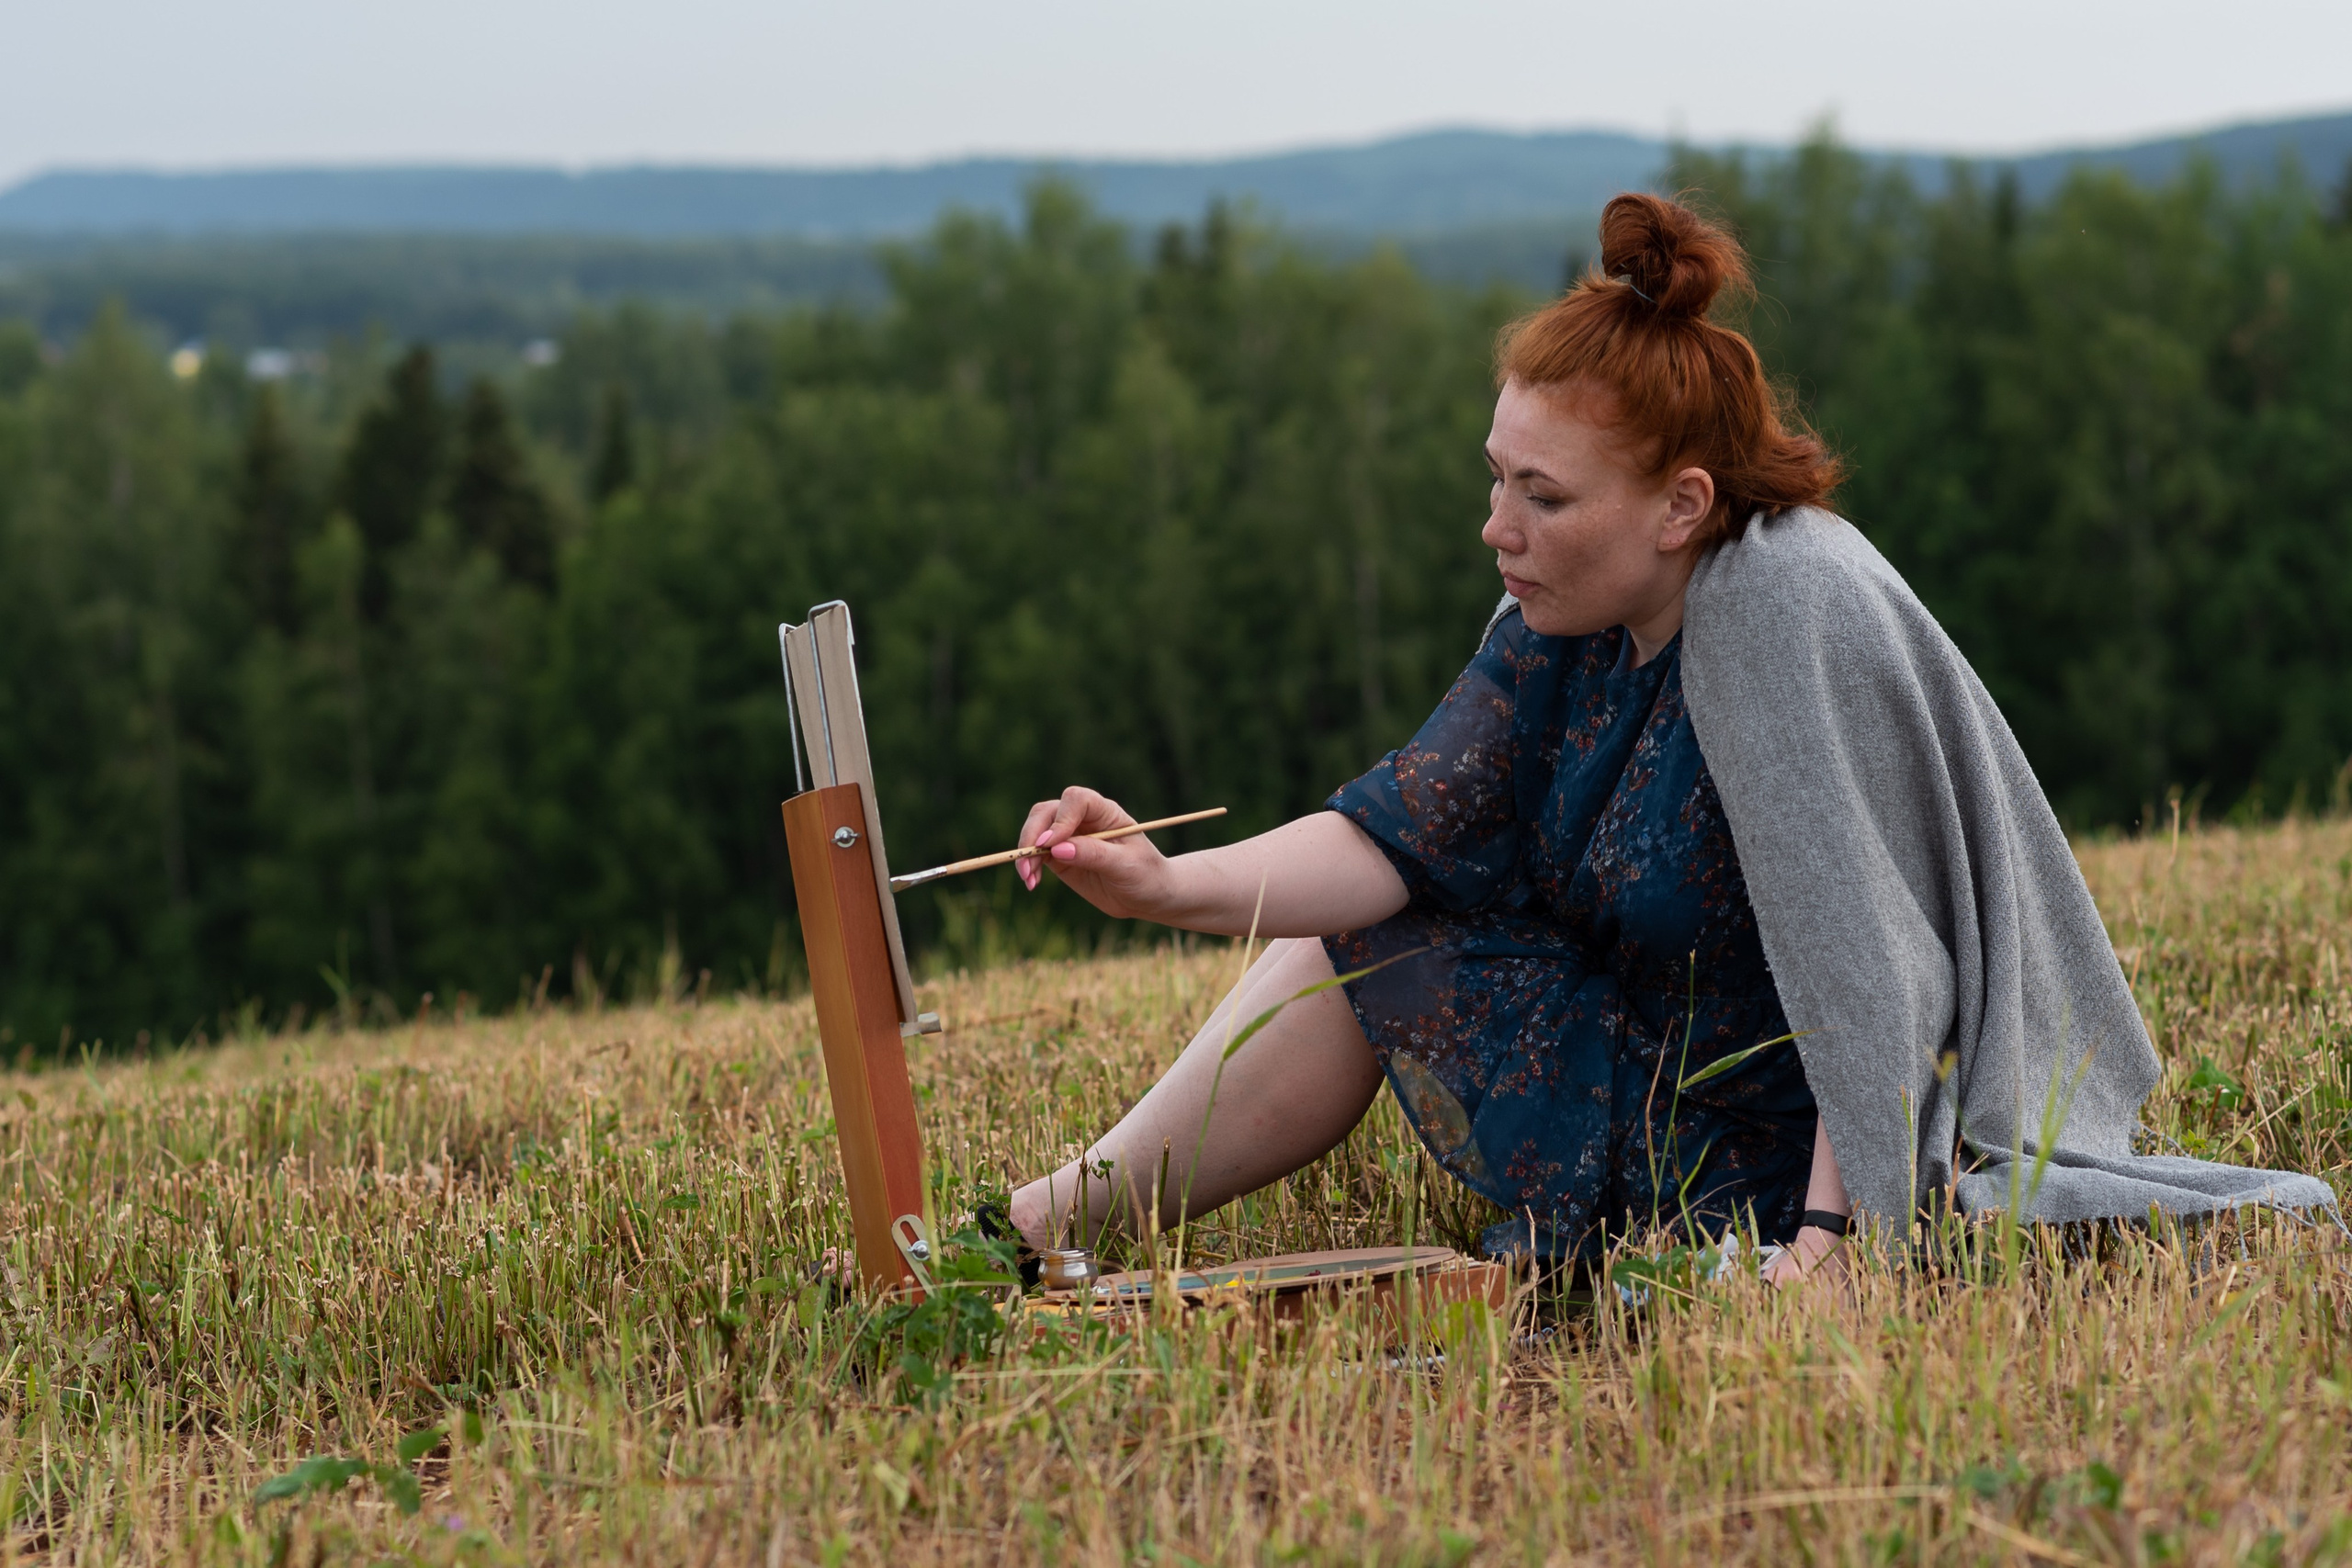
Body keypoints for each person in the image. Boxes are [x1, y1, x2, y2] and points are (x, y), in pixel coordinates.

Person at [994, 193, 2338, 1293]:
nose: (1496, 527)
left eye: (1542, 495)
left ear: (1682, 505)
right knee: (1355, 929)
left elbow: (1871, 976)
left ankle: (1039, 1230)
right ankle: (1034, 1228)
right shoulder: (1559, 615)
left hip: (1799, 1147)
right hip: (1651, 1070)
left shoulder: (1785, 604)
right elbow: (1398, 838)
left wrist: (1830, 1247)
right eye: (1495, 476)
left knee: (1369, 942)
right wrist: (1165, 882)